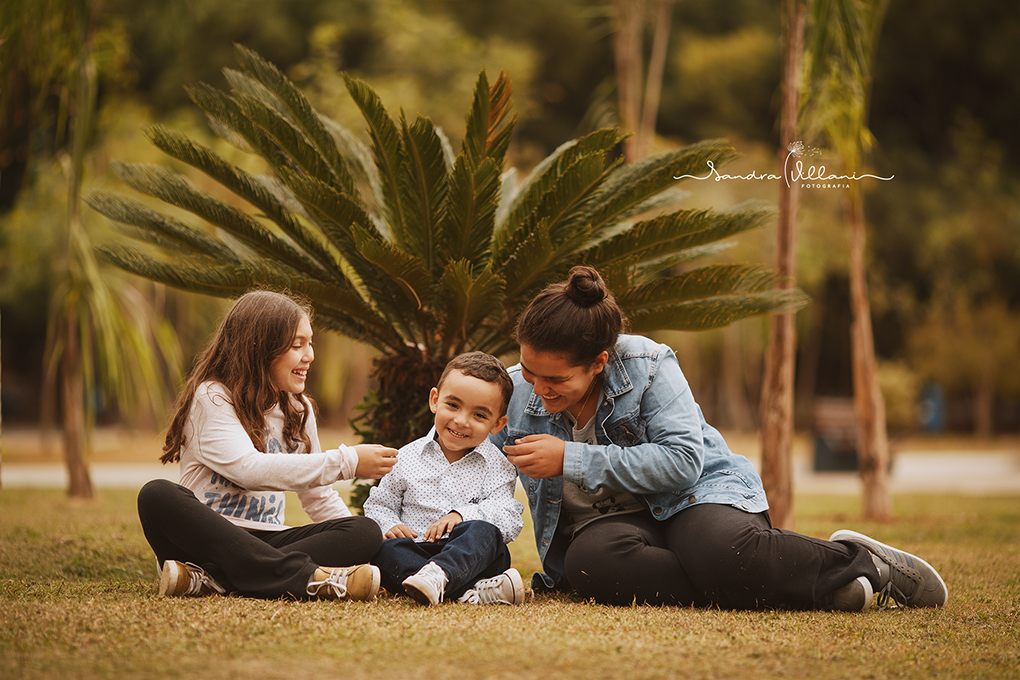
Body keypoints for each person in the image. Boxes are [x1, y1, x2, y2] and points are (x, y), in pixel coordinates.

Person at [495, 265, 949, 611]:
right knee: (589, 563)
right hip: (620, 527)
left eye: (554, 378)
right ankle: (804, 587)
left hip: (695, 495)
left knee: (719, 551)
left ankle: (863, 563)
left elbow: (682, 463)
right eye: (528, 370)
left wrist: (571, 459)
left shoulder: (648, 364)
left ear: (599, 361)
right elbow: (459, 455)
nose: (536, 387)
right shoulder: (514, 392)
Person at [137, 290, 398, 601]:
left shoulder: (299, 411)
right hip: (202, 542)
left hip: (268, 543)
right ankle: (306, 578)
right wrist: (348, 462)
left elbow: (318, 499)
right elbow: (249, 470)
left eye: (310, 342)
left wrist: (371, 545)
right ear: (260, 347)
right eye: (297, 345)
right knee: (156, 495)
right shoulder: (214, 397)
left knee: (364, 531)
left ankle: (214, 579)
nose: (310, 355)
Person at [364, 352, 525, 606]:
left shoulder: (498, 466)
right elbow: (379, 504)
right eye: (453, 405)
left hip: (471, 556)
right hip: (415, 550)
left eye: (479, 415)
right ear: (435, 400)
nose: (461, 421)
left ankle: (439, 576)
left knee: (486, 533)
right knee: (386, 551)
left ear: (498, 424)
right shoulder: (406, 457)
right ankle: (470, 592)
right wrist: (389, 525)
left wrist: (461, 515)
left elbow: (508, 517)